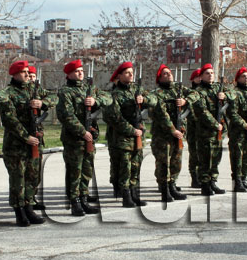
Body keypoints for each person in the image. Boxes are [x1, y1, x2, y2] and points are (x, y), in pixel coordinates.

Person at [56, 59, 111, 216]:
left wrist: (95, 101)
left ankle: (84, 198)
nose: (81, 73)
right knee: (75, 171)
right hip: (74, 138)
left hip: (89, 137)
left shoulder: (90, 89)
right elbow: (66, 116)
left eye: (82, 70)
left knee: (87, 170)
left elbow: (109, 99)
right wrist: (82, 132)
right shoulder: (65, 92)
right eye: (77, 71)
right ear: (69, 74)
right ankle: (75, 202)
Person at [0, 60, 46, 226]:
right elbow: (10, 120)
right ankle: (19, 211)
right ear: (15, 74)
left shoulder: (33, 89)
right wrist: (26, 137)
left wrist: (42, 103)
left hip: (33, 143)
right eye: (23, 72)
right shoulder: (7, 93)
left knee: (32, 177)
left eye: (27, 71)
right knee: (18, 180)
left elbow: (53, 97)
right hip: (16, 146)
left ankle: (29, 207)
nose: (27, 74)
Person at [104, 61, 154, 208]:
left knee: (136, 166)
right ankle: (126, 196)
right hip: (123, 138)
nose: (130, 74)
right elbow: (114, 118)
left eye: (131, 72)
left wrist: (143, 100)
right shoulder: (114, 94)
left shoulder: (137, 90)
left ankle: (134, 194)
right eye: (127, 72)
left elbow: (155, 100)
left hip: (137, 137)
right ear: (119, 76)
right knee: (124, 167)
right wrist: (132, 131)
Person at [150, 63, 188, 202]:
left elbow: (197, 95)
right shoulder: (156, 94)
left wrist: (185, 101)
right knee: (163, 163)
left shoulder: (179, 90)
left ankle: (172, 185)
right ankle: (165, 190)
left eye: (169, 72)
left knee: (176, 162)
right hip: (163, 135)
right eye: (164, 74)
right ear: (159, 78)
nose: (169, 75)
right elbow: (160, 114)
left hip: (178, 133)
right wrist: (173, 130)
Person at [192, 63, 227, 196]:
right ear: (201, 76)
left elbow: (233, 95)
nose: (210, 75)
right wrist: (215, 124)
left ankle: (213, 181)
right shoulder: (198, 92)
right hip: (205, 131)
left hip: (218, 131)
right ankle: (205, 185)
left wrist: (225, 96)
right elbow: (202, 111)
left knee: (216, 157)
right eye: (207, 73)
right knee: (205, 158)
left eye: (212, 73)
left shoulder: (219, 88)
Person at [26, 65, 56, 210]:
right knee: (24, 172)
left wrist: (42, 103)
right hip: (24, 136)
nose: (31, 78)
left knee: (36, 171)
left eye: (33, 76)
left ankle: (32, 197)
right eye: (29, 75)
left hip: (37, 136)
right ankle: (25, 202)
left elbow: (54, 98)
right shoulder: (21, 92)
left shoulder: (39, 91)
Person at [186, 68, 203, 188]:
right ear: (193, 79)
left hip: (203, 128)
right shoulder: (189, 93)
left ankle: (202, 177)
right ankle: (194, 178)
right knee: (194, 154)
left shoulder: (204, 92)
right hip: (192, 128)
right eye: (198, 76)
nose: (200, 78)